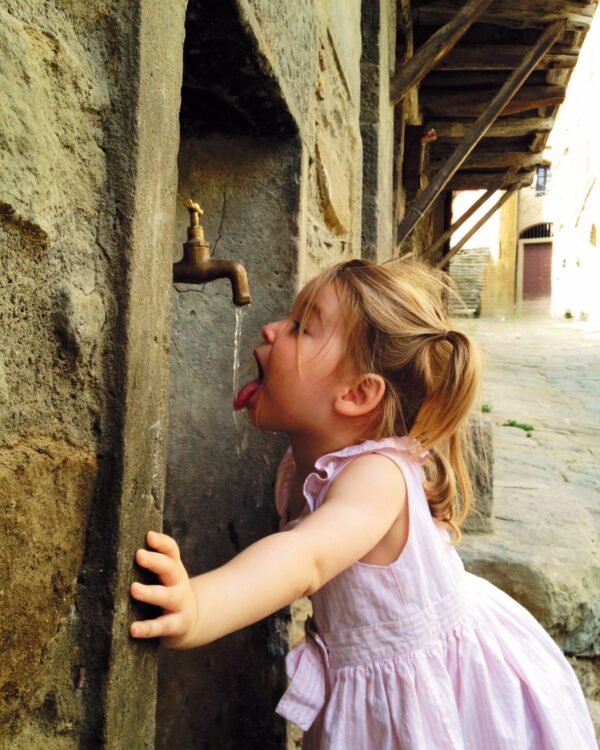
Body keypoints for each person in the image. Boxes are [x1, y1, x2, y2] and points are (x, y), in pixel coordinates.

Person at [130, 258, 596, 749]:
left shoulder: (377, 476)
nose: (270, 329)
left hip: (435, 695)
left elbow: (305, 558)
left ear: (357, 393)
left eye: (300, 327)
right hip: (375, 687)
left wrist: (199, 605)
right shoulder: (300, 468)